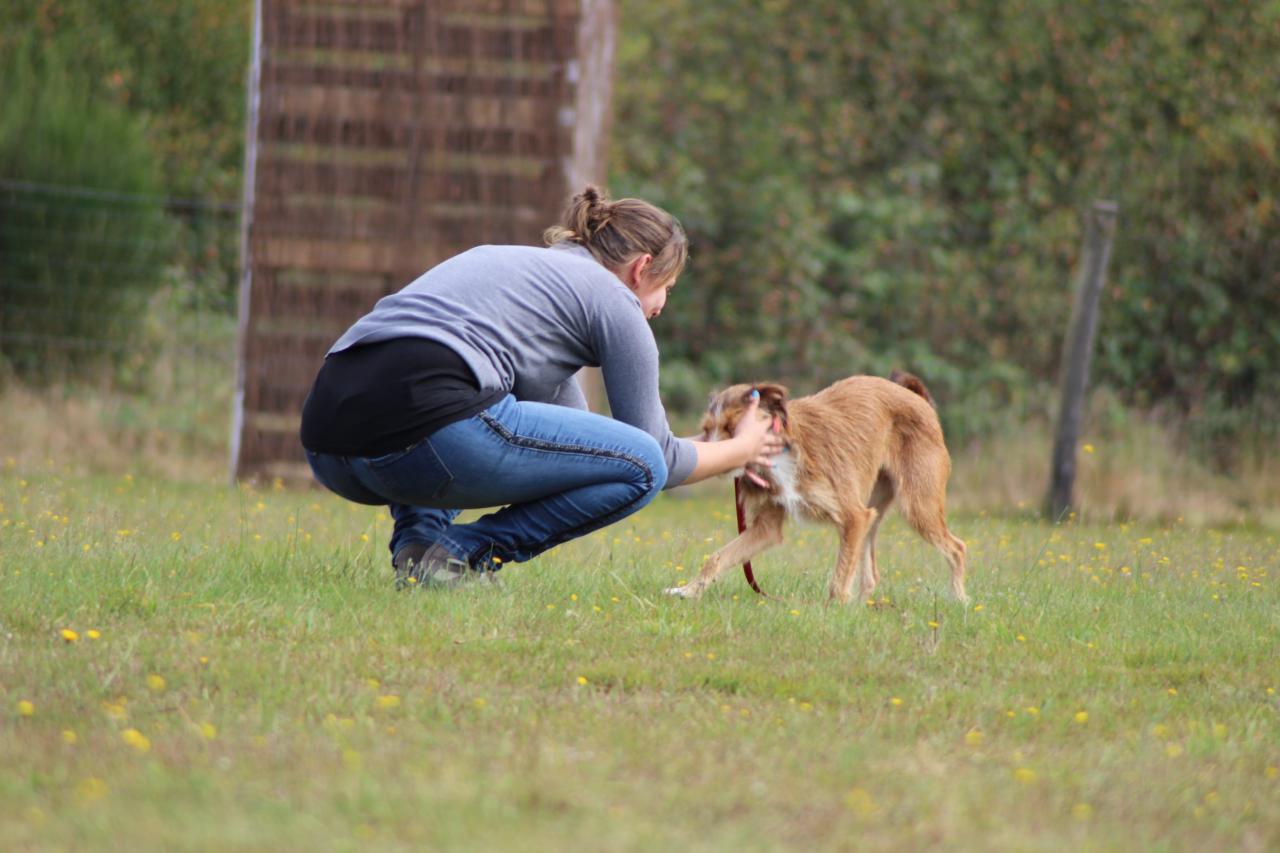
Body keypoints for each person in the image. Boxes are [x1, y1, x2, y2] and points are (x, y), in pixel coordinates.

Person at [300, 186, 784, 587]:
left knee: (453, 404)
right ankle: (459, 555)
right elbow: (655, 459)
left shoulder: (512, 268)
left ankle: (419, 550)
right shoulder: (614, 300)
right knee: (641, 468)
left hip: (329, 444)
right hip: (429, 436)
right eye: (667, 289)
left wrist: (714, 444)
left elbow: (585, 450)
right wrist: (744, 447)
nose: (660, 305)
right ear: (642, 268)